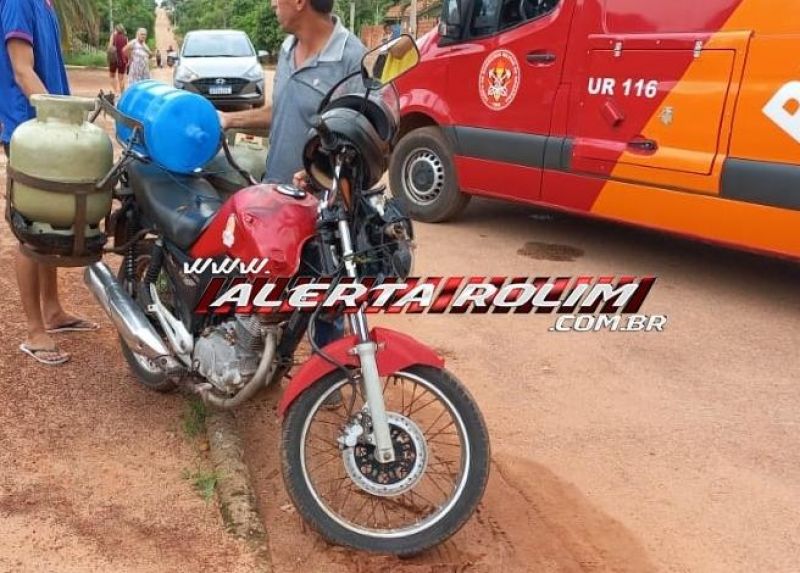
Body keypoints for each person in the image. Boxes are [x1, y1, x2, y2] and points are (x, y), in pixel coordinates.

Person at [219, 0, 366, 347]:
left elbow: (358, 135)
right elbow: (281, 111)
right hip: (277, 199)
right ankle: (256, 361)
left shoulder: (350, 56)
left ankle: (328, 374)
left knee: (326, 297)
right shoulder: (287, 49)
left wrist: (319, 172)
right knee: (268, 293)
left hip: (325, 205)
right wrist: (230, 119)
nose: (271, 4)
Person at [1, 0, 98, 365]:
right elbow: (22, 70)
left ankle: (54, 311)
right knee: (30, 227)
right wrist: (64, 122)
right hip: (33, 133)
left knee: (50, 223)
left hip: (47, 131)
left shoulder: (46, 3)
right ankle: (34, 331)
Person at [107, 24, 128, 94]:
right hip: (123, 60)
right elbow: (126, 49)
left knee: (112, 76)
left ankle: (116, 92)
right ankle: (122, 93)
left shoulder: (113, 36)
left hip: (114, 59)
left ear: (116, 30)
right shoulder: (126, 38)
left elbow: (110, 47)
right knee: (121, 79)